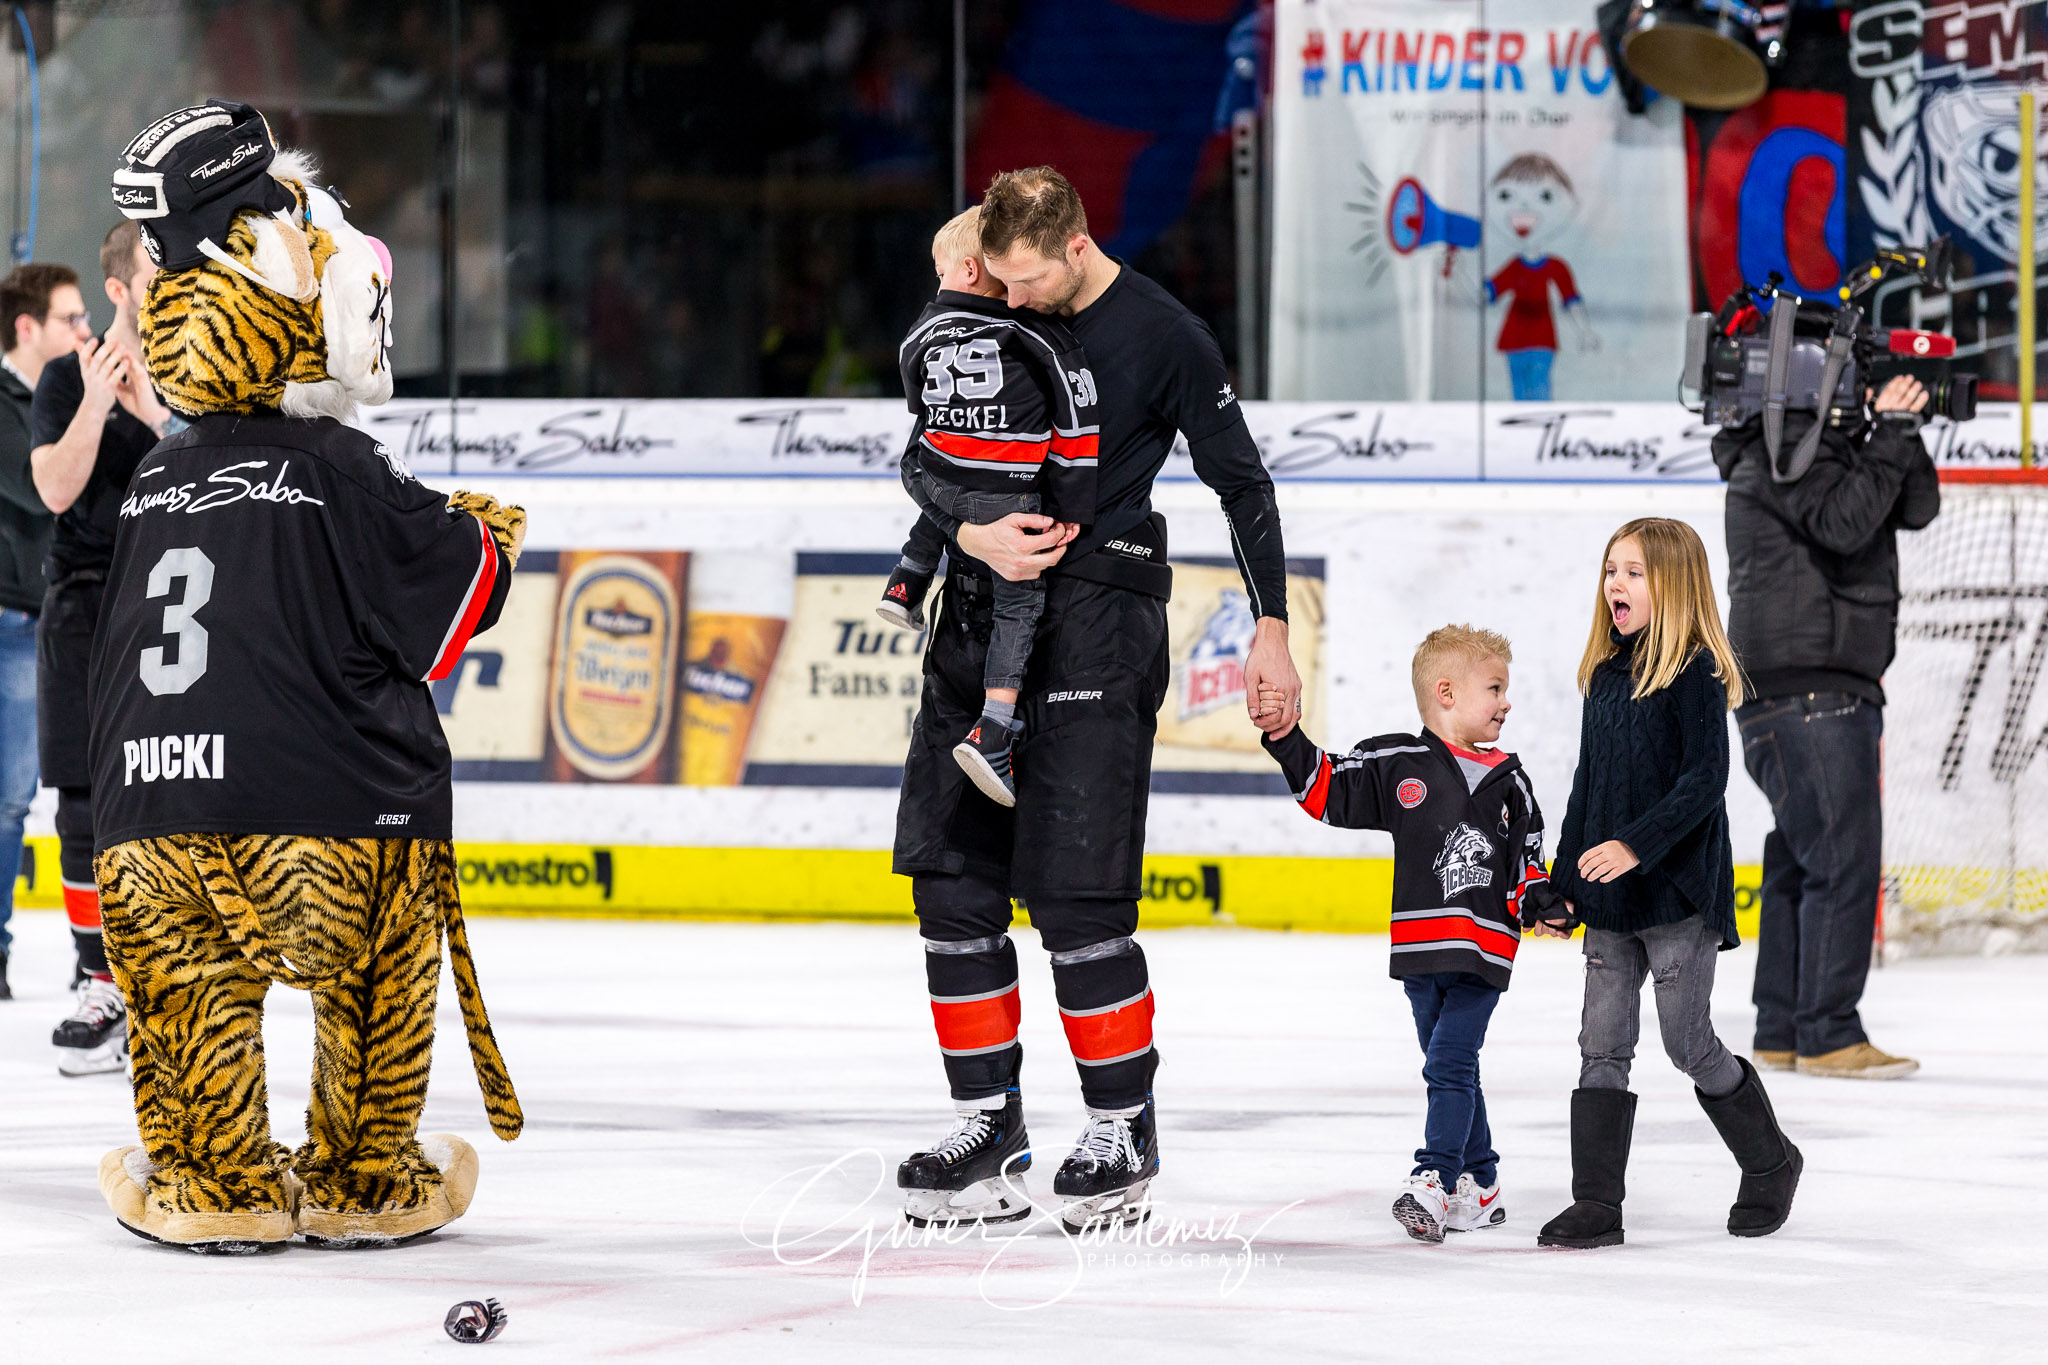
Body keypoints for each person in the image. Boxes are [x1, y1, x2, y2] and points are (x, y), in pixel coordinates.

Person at [891, 166, 1301, 1234]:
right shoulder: (981, 299)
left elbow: (1240, 483)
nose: (1007, 298)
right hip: (973, 620)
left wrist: (1270, 628)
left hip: (1096, 625)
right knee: (952, 894)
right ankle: (987, 1122)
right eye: (996, 277)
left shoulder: (1164, 335)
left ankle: (1122, 1126)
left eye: (1026, 281)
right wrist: (968, 530)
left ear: (1075, 245)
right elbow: (921, 450)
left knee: (1075, 900)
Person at [1537, 518, 1802, 1249]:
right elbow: (1588, 785)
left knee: (1687, 1043)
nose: (1614, 584)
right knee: (1602, 1042)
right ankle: (1597, 1203)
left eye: (1633, 573)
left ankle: (1770, 1161)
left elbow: (1704, 782)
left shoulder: (1694, 673)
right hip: (1613, 895)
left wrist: (1636, 845)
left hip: (1679, 890)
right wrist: (1564, 884)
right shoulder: (1604, 674)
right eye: (1610, 569)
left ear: (1674, 586)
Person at [1258, 624, 1565, 1242]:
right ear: (1446, 692)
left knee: (1449, 1065)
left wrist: (1541, 901)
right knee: (1453, 1068)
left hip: (1485, 952)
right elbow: (1326, 789)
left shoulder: (1514, 783)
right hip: (1421, 952)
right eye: (1496, 688)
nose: (1507, 702)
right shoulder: (1397, 762)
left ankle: (1435, 1177)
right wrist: (1284, 736)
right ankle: (1483, 1184)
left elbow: (1529, 863)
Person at [1713, 375, 1937, 1080]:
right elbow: (1844, 523)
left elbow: (1918, 505)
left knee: (1802, 855)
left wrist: (1897, 428)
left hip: (1802, 687)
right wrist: (1890, 433)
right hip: (1810, 688)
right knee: (1841, 859)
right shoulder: (1786, 451)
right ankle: (1829, 1031)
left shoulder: (1800, 451)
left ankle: (1782, 1026)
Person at [881, 205, 1096, 806]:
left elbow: (916, 409)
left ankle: (907, 580)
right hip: (1012, 492)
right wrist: (1073, 507)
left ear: (967, 270)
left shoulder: (920, 333)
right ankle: (995, 724)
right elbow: (1074, 417)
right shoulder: (1029, 332)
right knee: (1019, 602)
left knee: (944, 478)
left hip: (947, 479)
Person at [30, 221, 176, 1074]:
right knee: (80, 806)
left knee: (163, 794)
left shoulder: (196, 380)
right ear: (118, 288)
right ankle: (100, 980)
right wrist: (95, 399)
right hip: (83, 602)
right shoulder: (59, 378)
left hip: (167, 607)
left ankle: (165, 979)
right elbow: (55, 487)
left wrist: (153, 413)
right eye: (156, 272)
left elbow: (210, 480)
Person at [0, 262, 88, 999]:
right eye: (70, 319)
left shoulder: (72, 398)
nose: (83, 332)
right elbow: (43, 491)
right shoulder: (13, 405)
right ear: (27, 327)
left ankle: (94, 956)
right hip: (13, 620)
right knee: (8, 799)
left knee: (74, 795)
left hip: (63, 614)